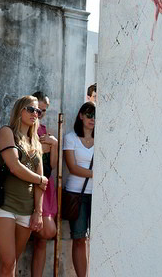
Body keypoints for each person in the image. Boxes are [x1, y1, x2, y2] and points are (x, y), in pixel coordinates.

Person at [0, 96, 48, 277]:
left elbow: (40, 181)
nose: (35, 114)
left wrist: (38, 212)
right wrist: (39, 180)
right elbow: (14, 167)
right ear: (19, 110)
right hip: (3, 205)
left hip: (26, 209)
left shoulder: (35, 141)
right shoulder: (6, 132)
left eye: (38, 111)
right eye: (31, 109)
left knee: (12, 262)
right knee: (7, 262)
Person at [63, 102, 95, 277]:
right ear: (81, 116)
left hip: (97, 195)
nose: (93, 119)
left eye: (95, 115)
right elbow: (73, 167)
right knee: (79, 238)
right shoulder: (71, 138)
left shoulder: (103, 138)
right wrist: (96, 174)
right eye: (89, 115)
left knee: (95, 239)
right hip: (76, 194)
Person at [30, 92, 58, 277]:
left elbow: (53, 166)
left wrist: (54, 145)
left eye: (44, 111)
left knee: (44, 238)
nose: (40, 114)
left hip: (46, 187)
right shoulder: (22, 129)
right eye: (37, 110)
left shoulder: (46, 131)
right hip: (29, 187)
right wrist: (42, 148)